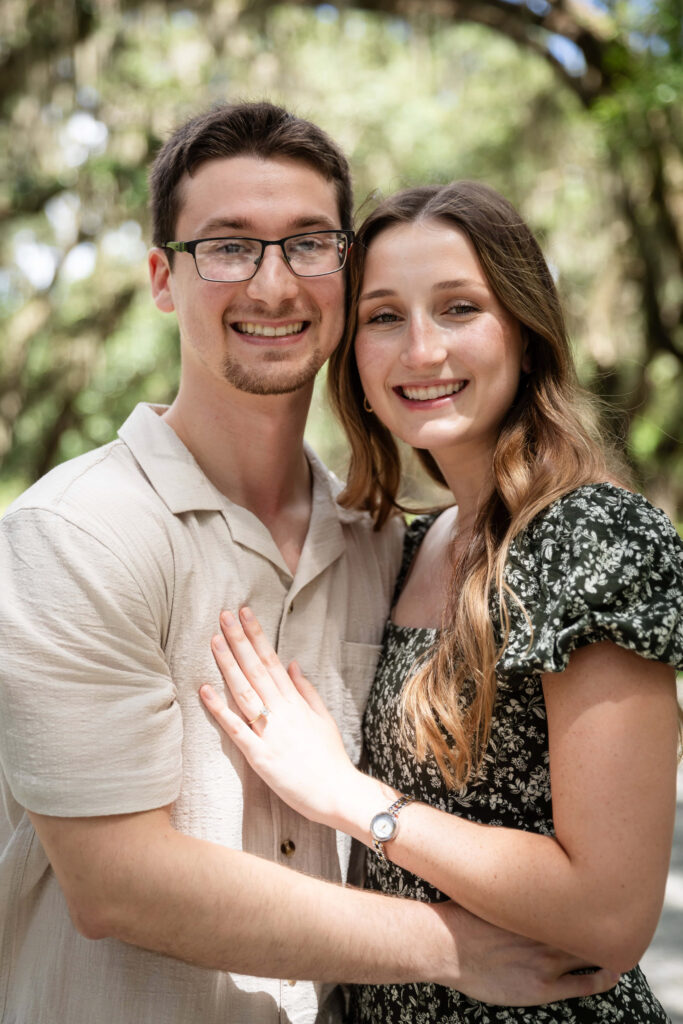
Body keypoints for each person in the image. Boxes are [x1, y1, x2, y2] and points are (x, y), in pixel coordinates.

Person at [0, 107, 618, 1024]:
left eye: (307, 244)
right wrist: (451, 950)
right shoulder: (75, 533)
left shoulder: (381, 543)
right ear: (164, 279)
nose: (273, 283)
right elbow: (117, 886)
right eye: (229, 247)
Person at [199, 181, 683, 1023]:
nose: (421, 350)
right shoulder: (409, 545)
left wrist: (343, 794)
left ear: (526, 335)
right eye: (384, 317)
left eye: (458, 308)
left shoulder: (597, 538)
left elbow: (610, 915)